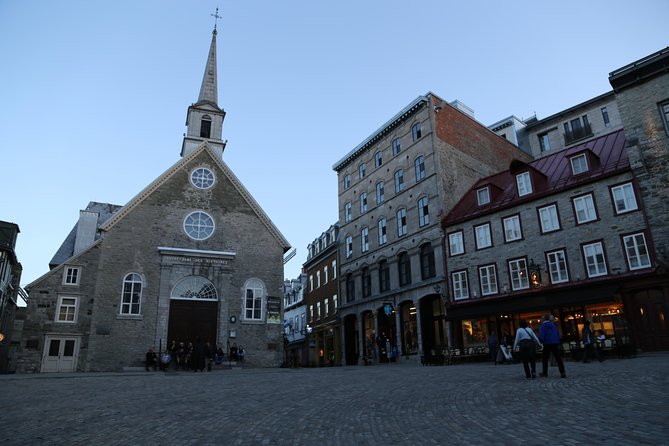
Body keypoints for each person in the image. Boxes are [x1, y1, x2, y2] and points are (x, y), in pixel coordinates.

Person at [538, 314, 566, 378]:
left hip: (547, 343)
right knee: (558, 358)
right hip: (555, 343)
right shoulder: (553, 325)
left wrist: (540, 342)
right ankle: (562, 372)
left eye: (542, 318)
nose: (541, 320)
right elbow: (557, 333)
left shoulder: (543, 325)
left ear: (544, 319)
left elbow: (541, 335)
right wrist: (558, 341)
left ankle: (545, 372)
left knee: (545, 358)